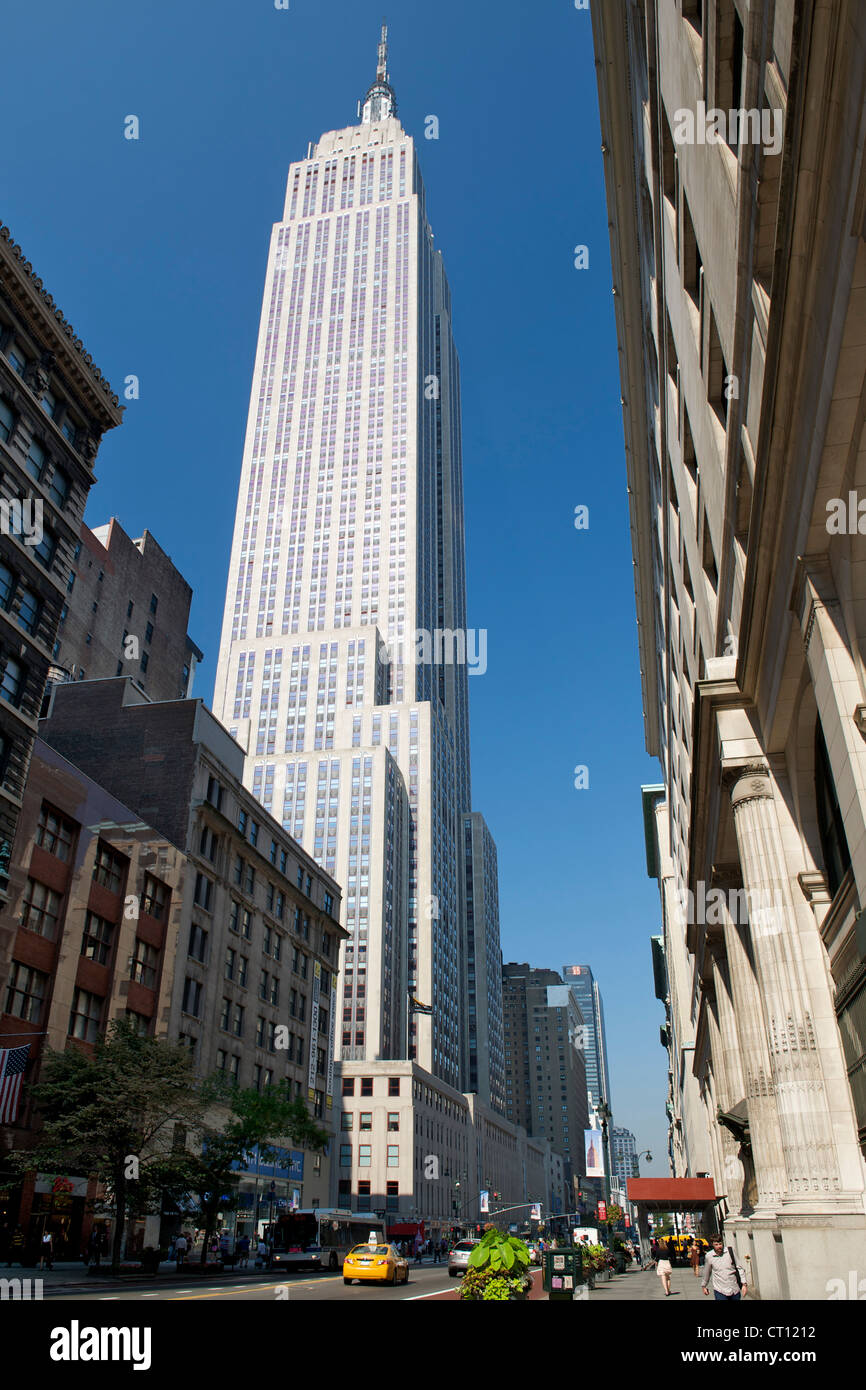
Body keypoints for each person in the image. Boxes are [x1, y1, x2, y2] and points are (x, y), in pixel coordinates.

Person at [702, 1237, 748, 1301]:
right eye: (716, 1245)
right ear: (712, 1245)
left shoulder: (730, 1251)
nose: (719, 1246)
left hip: (734, 1288)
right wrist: (704, 1285)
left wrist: (744, 1284)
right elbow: (707, 1272)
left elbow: (740, 1267)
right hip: (720, 1290)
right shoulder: (709, 1256)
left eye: (720, 1244)